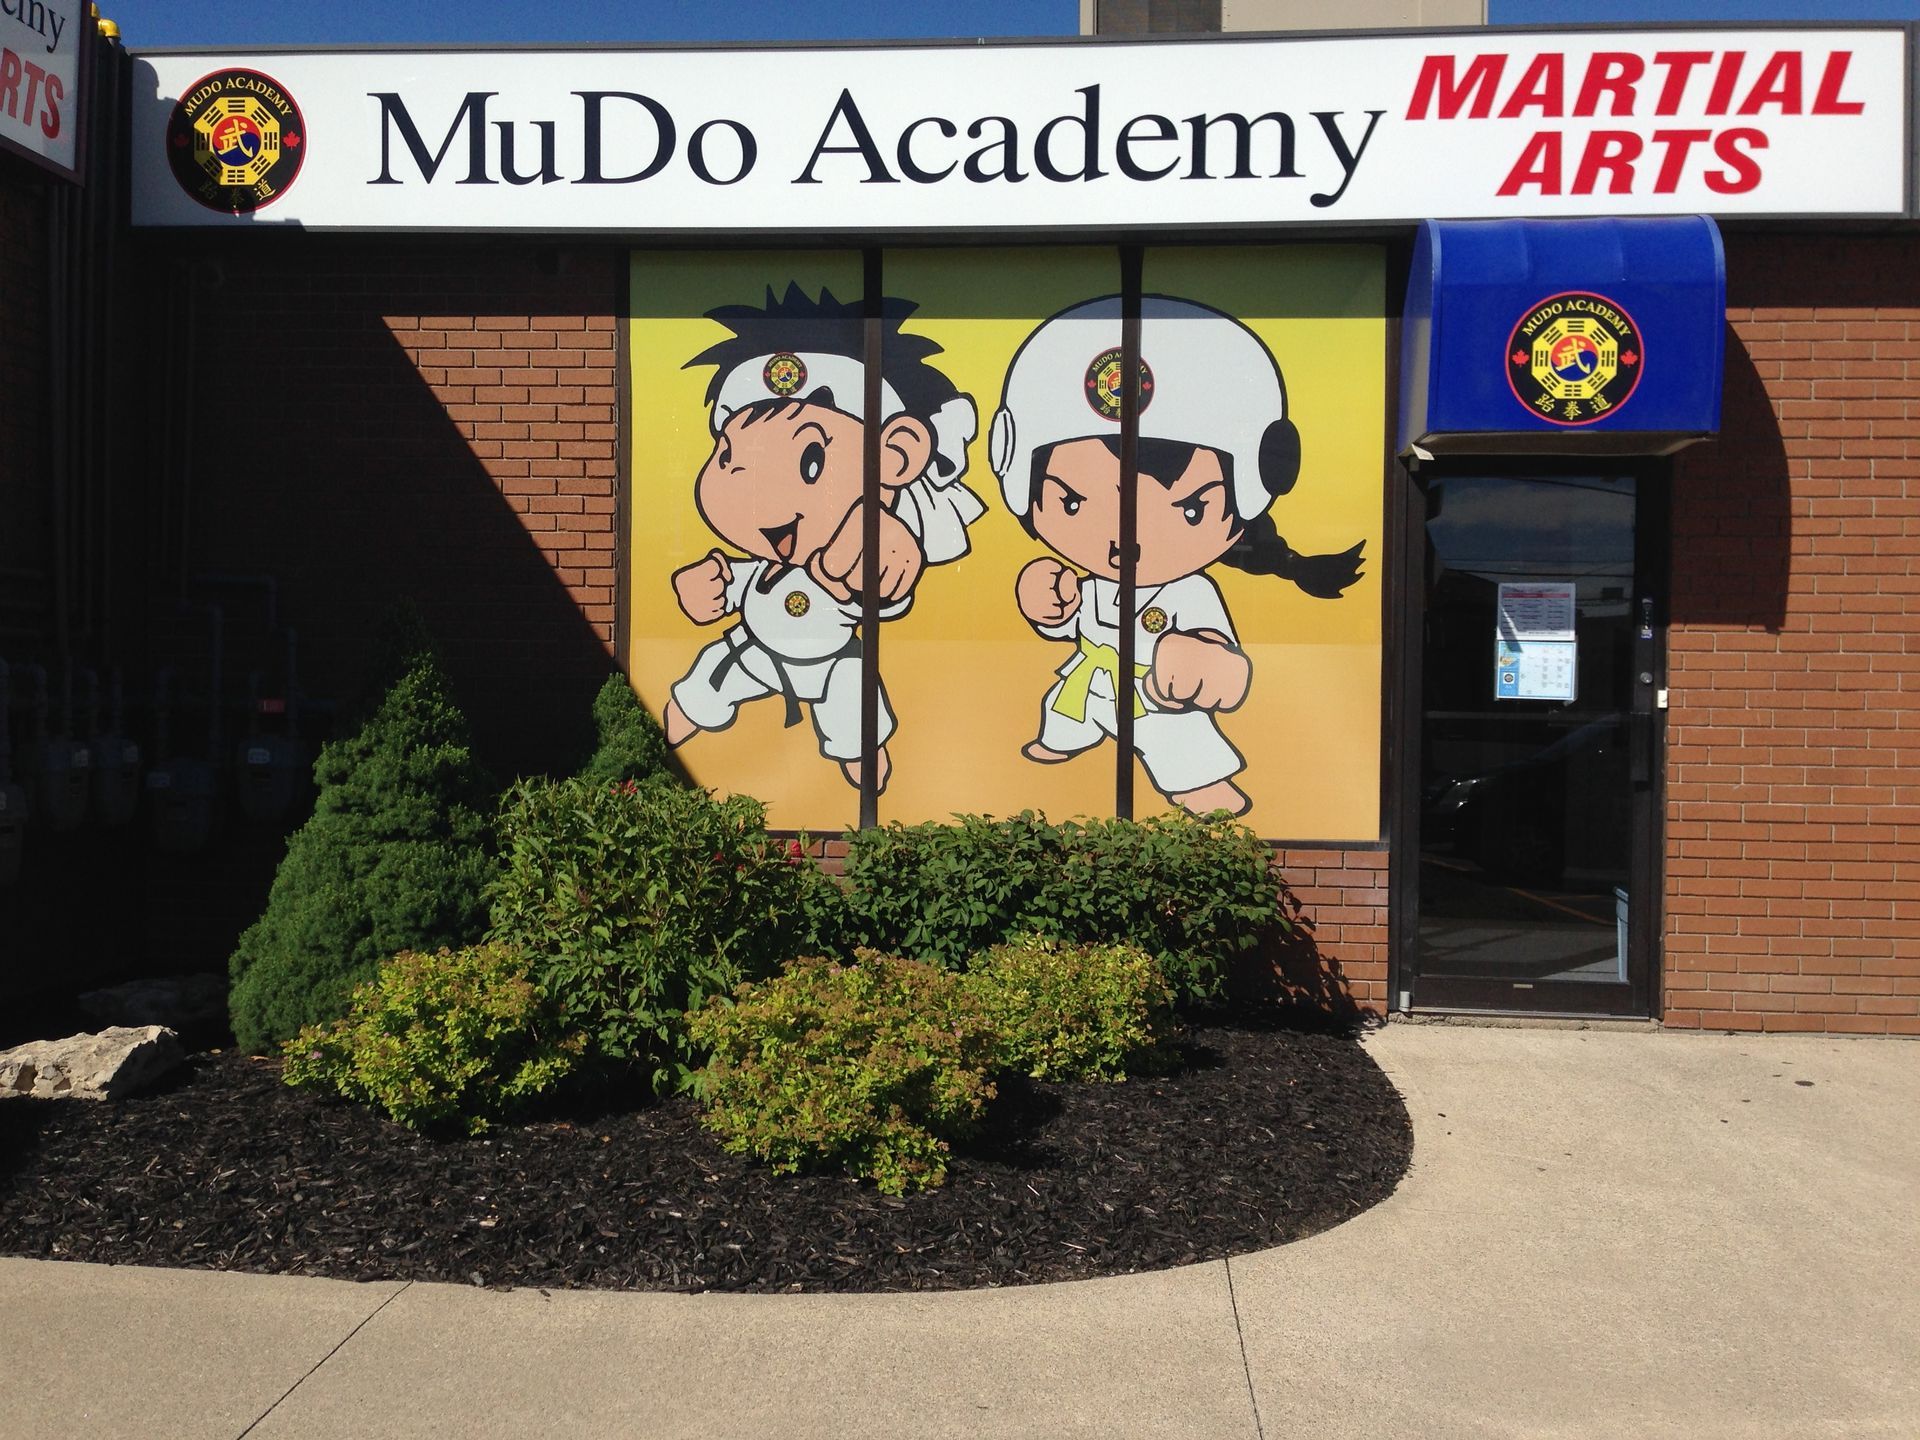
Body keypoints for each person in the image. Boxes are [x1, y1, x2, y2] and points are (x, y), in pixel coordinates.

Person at [988, 294, 1364, 816]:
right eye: (1072, 502)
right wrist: (1049, 607)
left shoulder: (1192, 591)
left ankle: (1203, 790)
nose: (1124, 541)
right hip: (1094, 683)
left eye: (1189, 509)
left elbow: (1219, 650)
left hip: (1154, 698)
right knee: (1067, 709)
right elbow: (1069, 625)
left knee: (1179, 741)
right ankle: (1063, 741)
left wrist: (1206, 664)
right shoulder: (1093, 584)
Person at [663, 283, 982, 794]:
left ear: (896, 456)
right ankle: (666, 740)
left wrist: (882, 564)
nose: (765, 501)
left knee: (855, 702)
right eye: (730, 458)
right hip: (756, 647)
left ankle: (866, 772)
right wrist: (710, 586)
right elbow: (738, 581)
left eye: (810, 461)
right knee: (709, 675)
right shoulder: (766, 564)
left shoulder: (862, 547)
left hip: (833, 663)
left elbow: (885, 589)